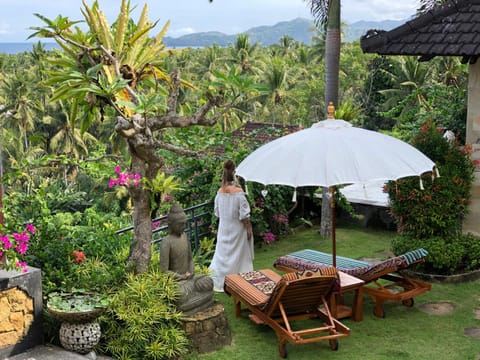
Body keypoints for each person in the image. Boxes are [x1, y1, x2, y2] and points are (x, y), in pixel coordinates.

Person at [160, 203, 214, 316]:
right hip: (179, 282)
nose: (183, 227)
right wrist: (181, 277)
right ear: (172, 225)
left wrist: (191, 271)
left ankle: (192, 301)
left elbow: (190, 259)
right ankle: (193, 301)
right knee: (179, 295)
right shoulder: (166, 242)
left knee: (208, 282)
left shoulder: (184, 236)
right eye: (180, 224)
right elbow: (164, 271)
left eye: (184, 224)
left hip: (190, 278)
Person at [209, 159, 254, 292]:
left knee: (223, 254)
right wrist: (248, 228)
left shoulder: (219, 192)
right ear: (234, 172)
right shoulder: (239, 193)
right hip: (237, 228)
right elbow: (244, 215)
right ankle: (239, 280)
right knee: (238, 255)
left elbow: (217, 212)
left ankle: (221, 280)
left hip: (224, 228)